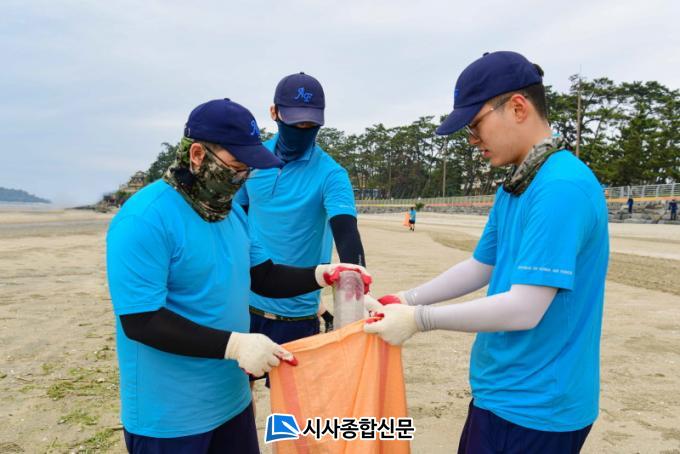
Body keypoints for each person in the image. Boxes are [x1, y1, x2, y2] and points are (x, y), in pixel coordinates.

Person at [364, 51, 609, 454]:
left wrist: (419, 319)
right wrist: (404, 300)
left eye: (475, 125)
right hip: (500, 389)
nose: (473, 140)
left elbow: (525, 308)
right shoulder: (517, 184)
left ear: (517, 108)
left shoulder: (560, 186)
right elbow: (481, 265)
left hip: (538, 403)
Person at [106, 98, 370, 454]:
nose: (242, 177)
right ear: (197, 155)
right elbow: (142, 320)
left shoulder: (230, 214)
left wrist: (323, 274)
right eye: (235, 166)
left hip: (231, 404)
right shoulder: (144, 218)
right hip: (170, 416)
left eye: (248, 169)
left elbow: (264, 277)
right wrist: (234, 345)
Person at [234, 72, 367, 381]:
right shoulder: (251, 163)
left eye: (311, 125)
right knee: (240, 395)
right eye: (295, 123)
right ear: (274, 112)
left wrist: (357, 291)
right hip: (244, 304)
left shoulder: (331, 174)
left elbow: (347, 233)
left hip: (297, 316)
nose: (302, 131)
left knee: (295, 404)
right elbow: (236, 221)